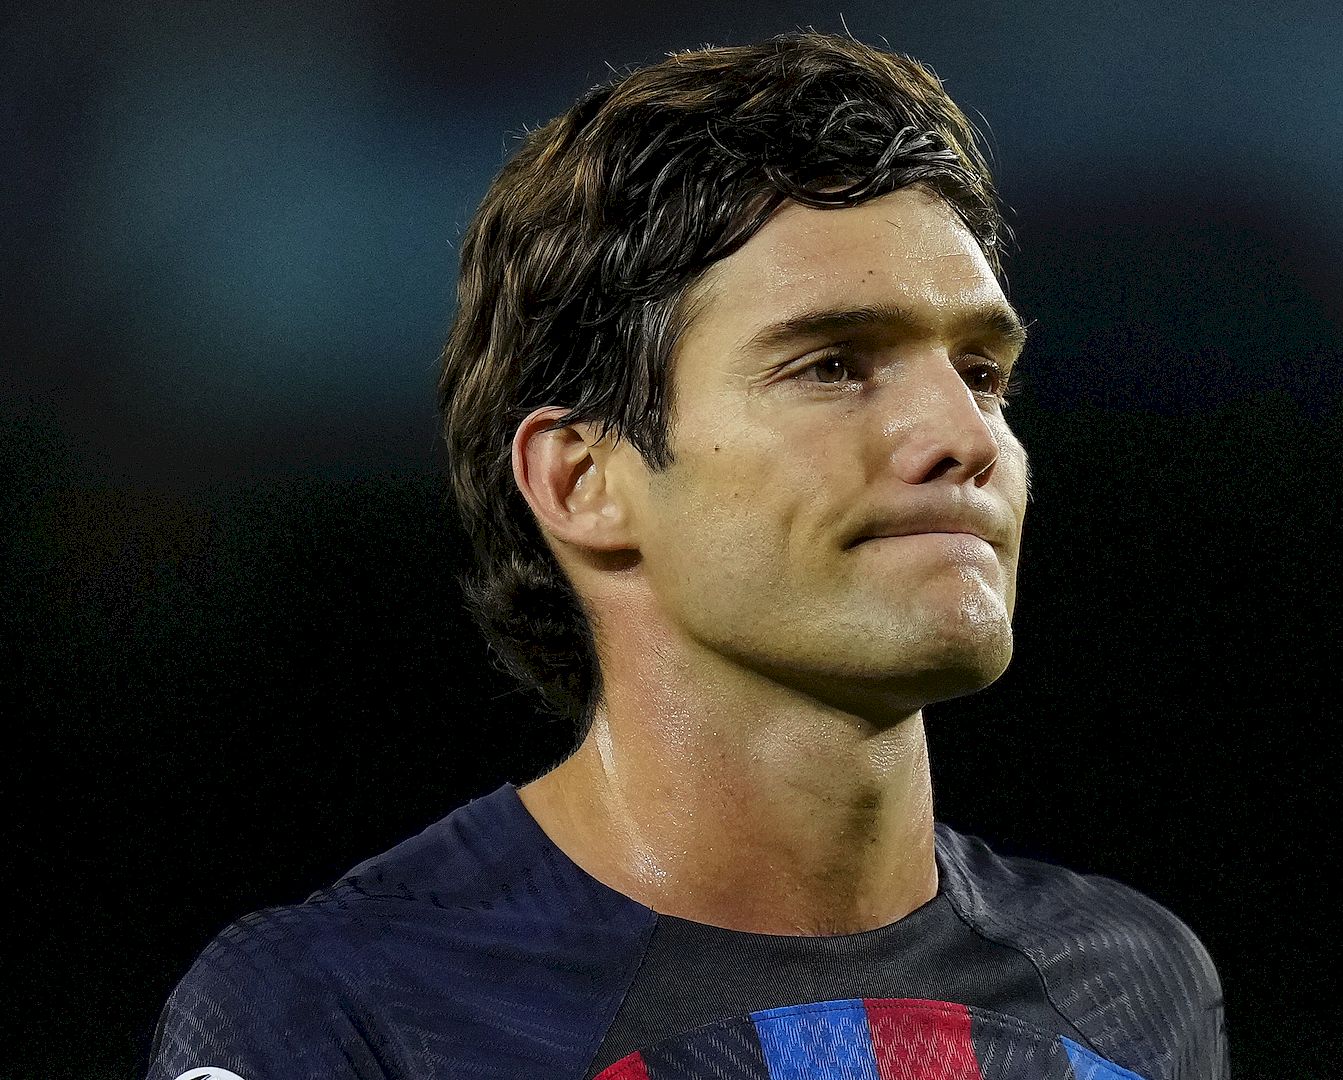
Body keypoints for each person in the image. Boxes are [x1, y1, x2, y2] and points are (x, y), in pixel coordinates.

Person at [146, 31, 1228, 1080]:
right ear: (583, 481)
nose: (965, 436)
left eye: (983, 373)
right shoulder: (338, 1008)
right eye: (833, 365)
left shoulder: (1138, 987)